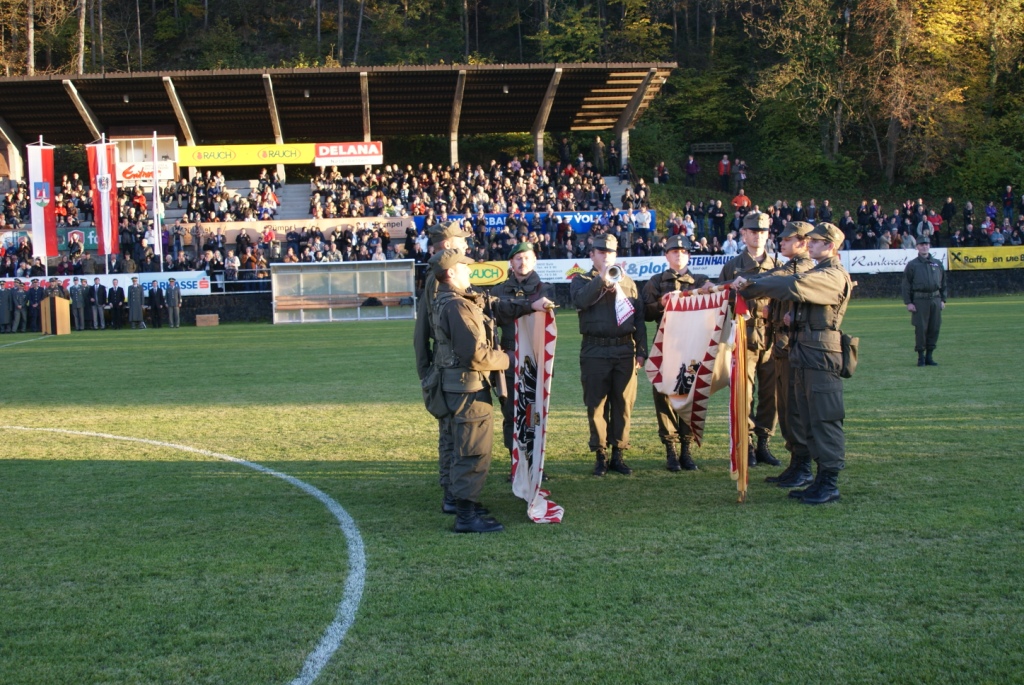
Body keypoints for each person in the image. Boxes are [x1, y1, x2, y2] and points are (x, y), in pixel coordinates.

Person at [731, 222, 853, 505]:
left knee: (824, 418)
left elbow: (794, 285)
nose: (810, 244)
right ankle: (814, 475)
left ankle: (829, 482)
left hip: (820, 355)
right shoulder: (818, 271)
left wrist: (750, 286)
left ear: (830, 245)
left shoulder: (832, 275)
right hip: (806, 351)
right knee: (807, 417)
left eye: (816, 241)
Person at [430, 249, 549, 533]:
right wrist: (513, 358)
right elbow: (476, 354)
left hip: (460, 385)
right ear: (451, 273)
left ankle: (462, 504)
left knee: (463, 448)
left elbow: (493, 305)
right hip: (468, 388)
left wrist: (529, 306)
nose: (469, 271)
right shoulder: (457, 307)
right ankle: (466, 516)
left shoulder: (456, 300)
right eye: (464, 267)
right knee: (473, 452)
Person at [571, 234, 648, 476]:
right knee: (596, 405)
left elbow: (639, 319)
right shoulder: (581, 280)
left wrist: (641, 351)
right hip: (594, 350)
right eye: (601, 252)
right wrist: (602, 279)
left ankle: (618, 454)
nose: (606, 256)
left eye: (610, 252)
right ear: (592, 255)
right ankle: (600, 455)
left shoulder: (629, 282)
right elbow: (581, 301)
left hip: (624, 349)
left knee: (623, 404)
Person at [716, 211, 780, 468]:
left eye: (762, 232)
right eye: (753, 231)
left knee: (771, 395)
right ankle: (748, 444)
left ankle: (764, 442)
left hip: (772, 337)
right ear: (743, 234)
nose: (758, 236)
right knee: (744, 395)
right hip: (744, 336)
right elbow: (721, 302)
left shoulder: (777, 265)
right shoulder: (732, 267)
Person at [641, 234, 709, 471]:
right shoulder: (656, 281)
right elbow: (644, 313)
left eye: (683, 252)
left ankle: (686, 450)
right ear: (666, 255)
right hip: (665, 346)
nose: (679, 255)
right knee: (664, 396)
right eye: (674, 251)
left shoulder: (700, 280)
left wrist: (707, 292)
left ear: (689, 255)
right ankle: (670, 449)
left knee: (689, 397)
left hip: (692, 347)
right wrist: (660, 303)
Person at [491, 242, 554, 477]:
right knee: (510, 414)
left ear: (534, 260)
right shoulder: (498, 291)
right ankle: (515, 463)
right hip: (508, 358)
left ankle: (535, 464)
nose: (522, 262)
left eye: (527, 257)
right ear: (511, 262)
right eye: (518, 258)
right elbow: (492, 323)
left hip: (535, 359)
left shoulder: (545, 289)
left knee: (533, 414)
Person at [762, 222, 817, 489]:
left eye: (787, 239)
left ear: (803, 242)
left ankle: (803, 466)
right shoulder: (790, 267)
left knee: (794, 408)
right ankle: (795, 463)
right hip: (782, 345)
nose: (781, 243)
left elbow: (782, 284)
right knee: (784, 408)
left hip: (794, 346)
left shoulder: (803, 268)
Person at [902, 235, 946, 367]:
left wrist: (943, 299)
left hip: (935, 299)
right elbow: (906, 285)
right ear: (917, 247)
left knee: (934, 327)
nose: (924, 247)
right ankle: (921, 357)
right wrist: (909, 302)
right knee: (921, 328)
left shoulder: (937, 263)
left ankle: (929, 356)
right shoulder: (912, 265)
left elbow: (943, 283)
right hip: (920, 300)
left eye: (926, 244)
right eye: (921, 245)